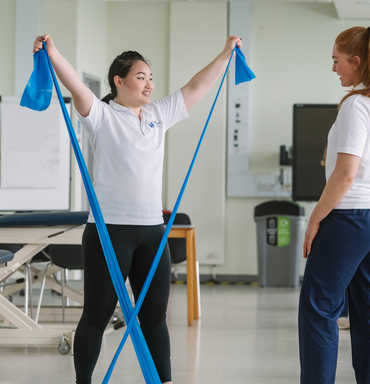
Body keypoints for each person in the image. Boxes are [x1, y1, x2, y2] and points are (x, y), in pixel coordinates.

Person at [32, 34, 241, 384]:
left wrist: (225, 55)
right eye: (141, 76)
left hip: (151, 231)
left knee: (154, 318)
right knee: (96, 315)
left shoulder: (158, 115)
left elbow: (195, 88)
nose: (149, 84)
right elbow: (77, 85)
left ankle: (164, 381)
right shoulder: (101, 115)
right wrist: (53, 55)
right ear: (119, 80)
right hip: (109, 232)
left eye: (151, 77)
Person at [298, 22, 370, 384]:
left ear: (358, 60)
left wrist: (316, 218)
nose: (334, 68)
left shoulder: (357, 107)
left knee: (318, 308)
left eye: (337, 60)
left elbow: (345, 175)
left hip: (352, 216)